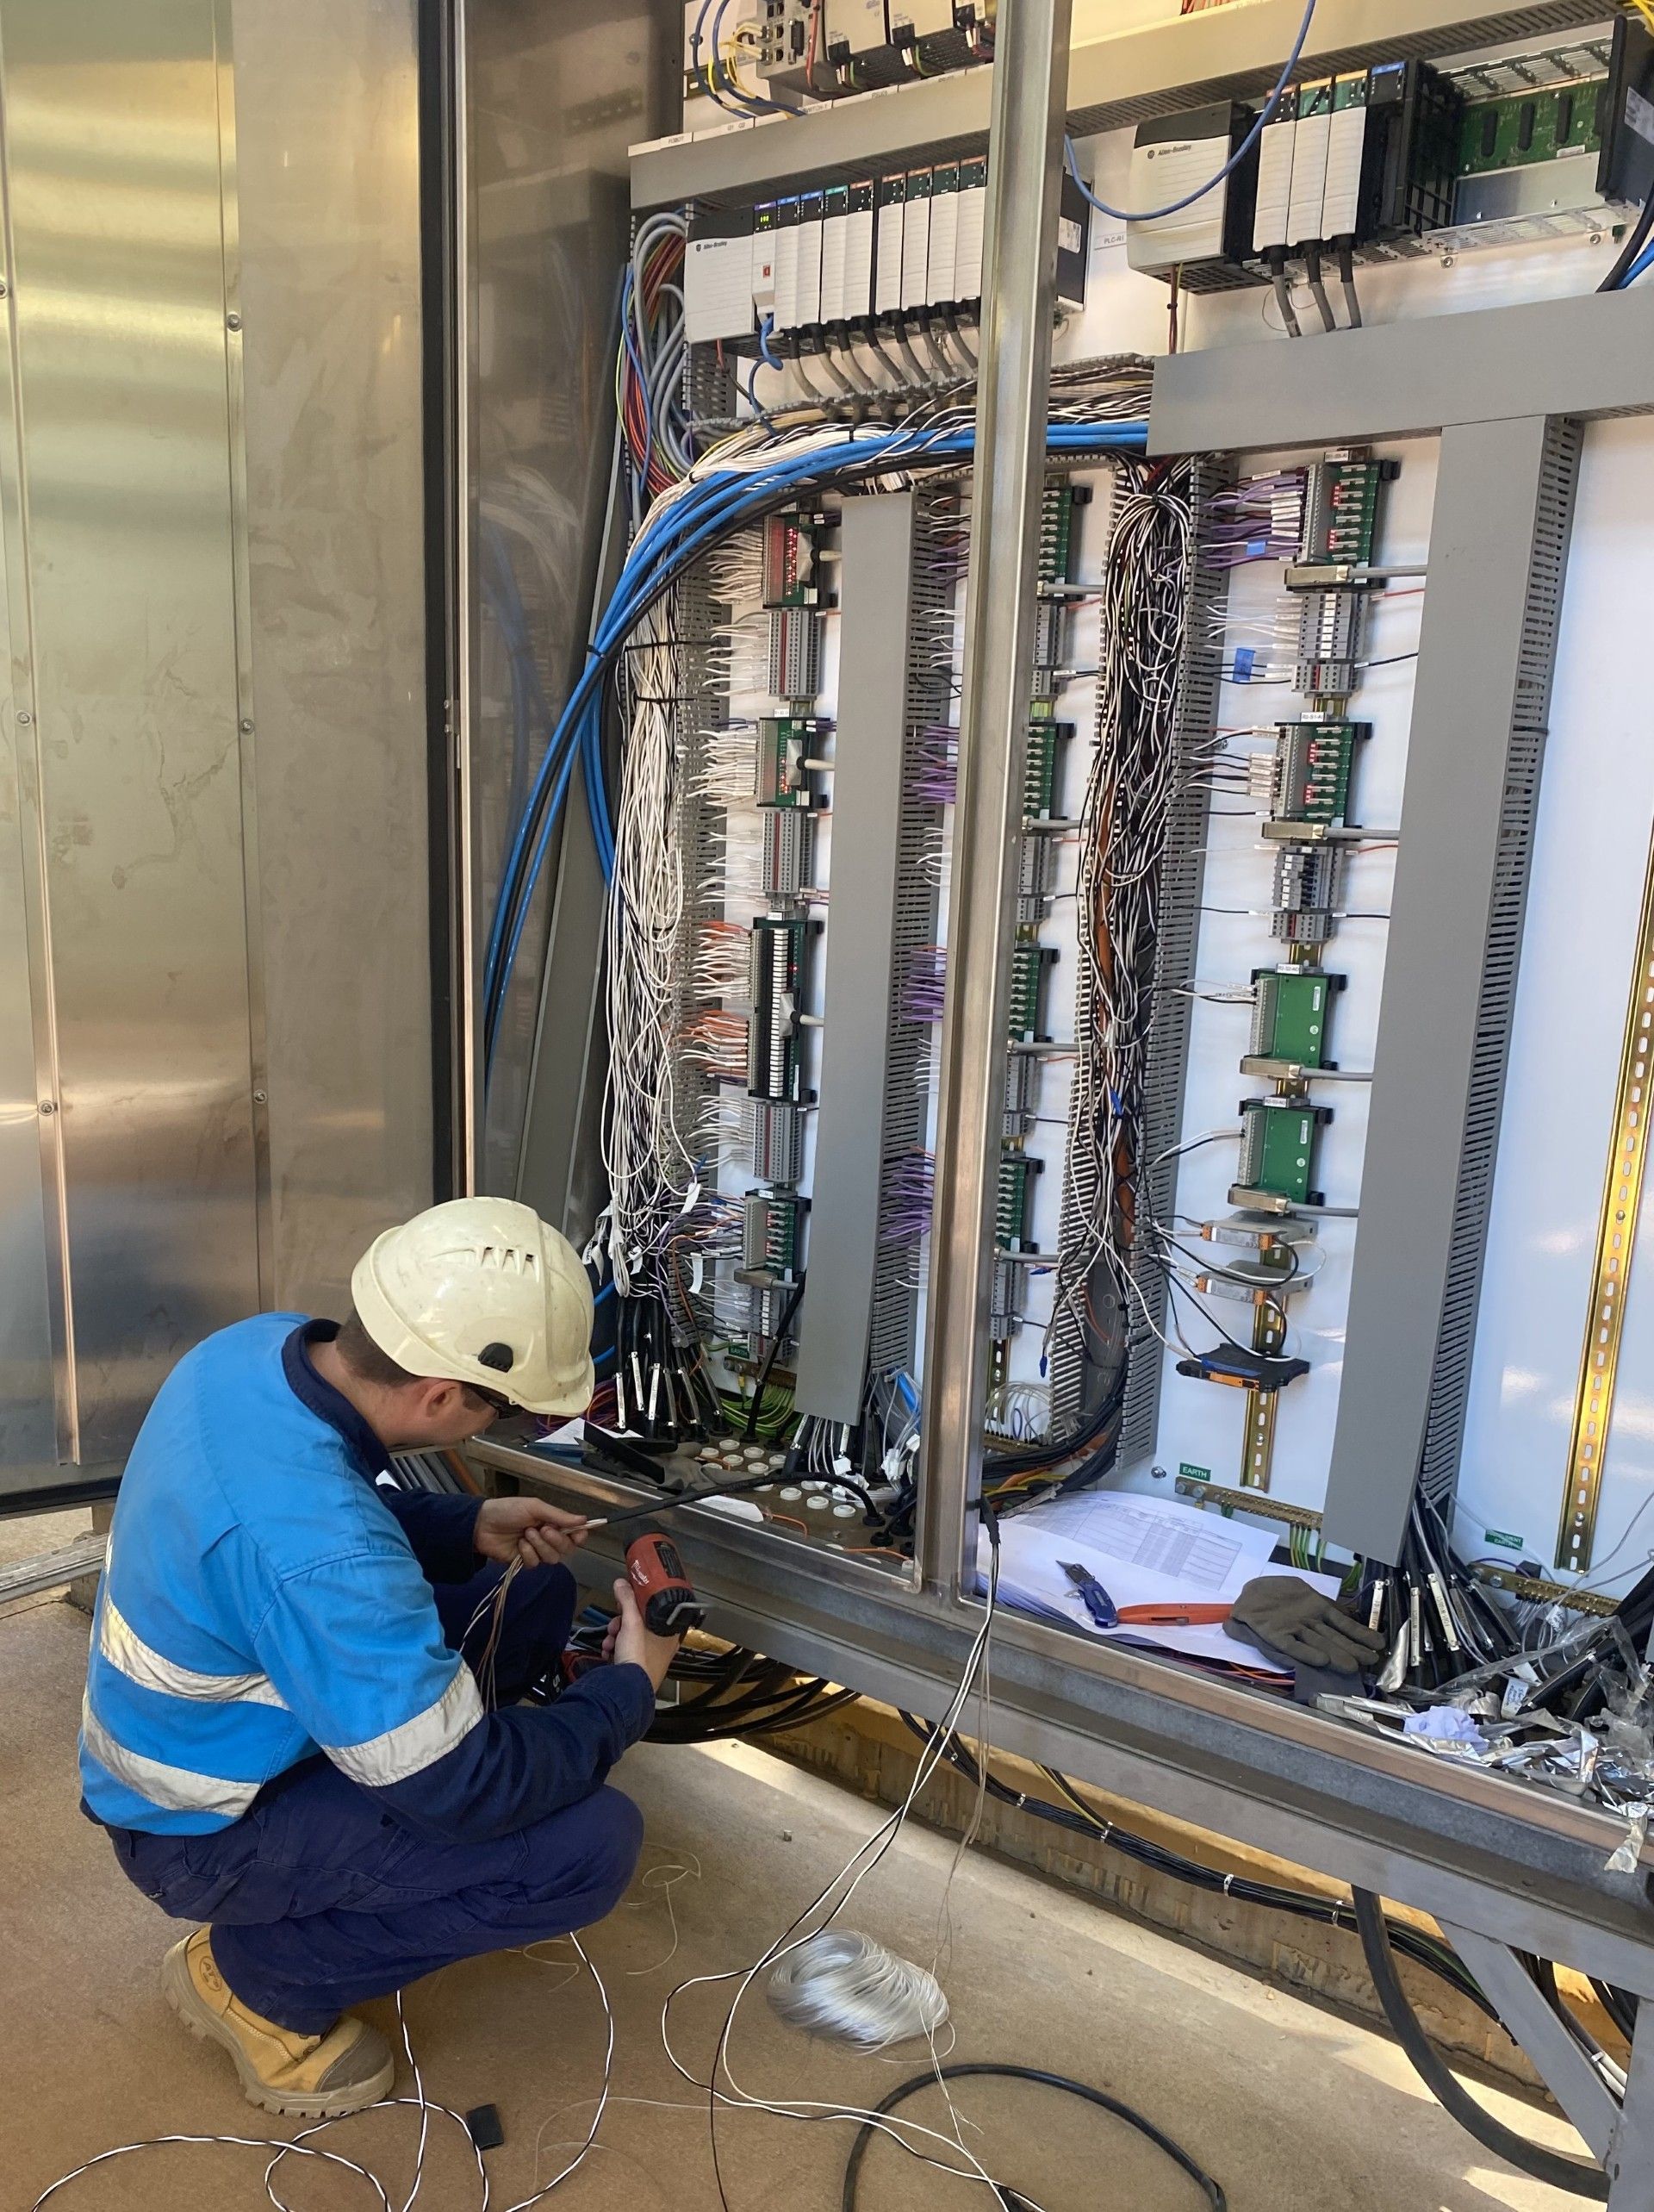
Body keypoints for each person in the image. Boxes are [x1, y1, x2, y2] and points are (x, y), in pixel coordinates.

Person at [78, 1197, 676, 2119]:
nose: (496, 1427)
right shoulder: (323, 1555)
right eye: (500, 1410)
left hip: (223, 1719)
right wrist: (629, 1688)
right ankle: (256, 1978)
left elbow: (308, 1504)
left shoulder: (254, 1351)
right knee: (590, 1844)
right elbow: (459, 1785)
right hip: (199, 1828)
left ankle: (362, 1843)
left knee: (537, 1593)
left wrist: (469, 1521)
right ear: (442, 1393)